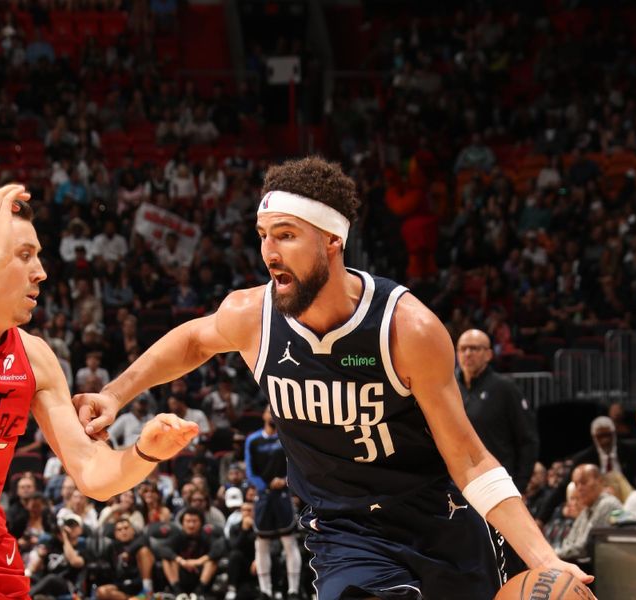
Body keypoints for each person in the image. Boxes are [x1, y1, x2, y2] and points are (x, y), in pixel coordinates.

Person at [75, 157, 591, 599]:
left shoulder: (405, 328)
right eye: (263, 236)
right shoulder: (254, 316)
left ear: (331, 242)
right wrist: (116, 393)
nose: (269, 253)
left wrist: (546, 559)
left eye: (286, 235)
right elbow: (193, 339)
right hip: (345, 530)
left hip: (440, 520)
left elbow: (471, 457)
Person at [0, 185, 199, 599]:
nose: (41, 271)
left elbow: (94, 476)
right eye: (23, 255)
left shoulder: (35, 357)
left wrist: (147, 451)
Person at [455, 328, 539, 578]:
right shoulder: (449, 388)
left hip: (498, 492)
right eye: (463, 348)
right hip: (459, 494)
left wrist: (520, 485)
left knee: (506, 564)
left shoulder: (504, 388)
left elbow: (528, 441)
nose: (468, 354)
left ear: (489, 354)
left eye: (475, 348)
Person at [246, 406, 302, 600]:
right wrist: (264, 485)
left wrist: (284, 479)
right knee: (261, 543)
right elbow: (250, 471)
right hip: (263, 495)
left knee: (289, 541)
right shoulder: (252, 440)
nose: (272, 414)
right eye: (269, 411)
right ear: (263, 415)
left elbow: (297, 463)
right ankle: (265, 591)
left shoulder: (286, 436)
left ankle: (293, 590)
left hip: (283, 494)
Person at [555, 464, 622, 562]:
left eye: (583, 482)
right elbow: (568, 541)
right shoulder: (587, 509)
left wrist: (555, 554)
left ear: (600, 481)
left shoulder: (607, 504)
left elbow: (585, 547)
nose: (579, 489)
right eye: (576, 484)